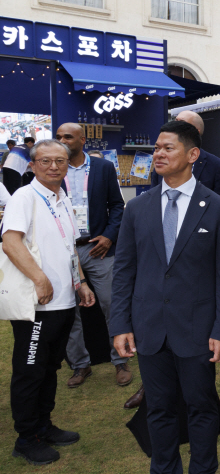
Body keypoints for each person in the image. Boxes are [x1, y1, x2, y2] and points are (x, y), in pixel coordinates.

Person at [111, 120, 220, 474]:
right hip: (149, 325)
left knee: (201, 406)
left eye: (167, 148)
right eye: (156, 148)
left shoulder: (217, 209)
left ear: (192, 155)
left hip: (198, 329)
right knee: (160, 408)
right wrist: (120, 323)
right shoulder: (137, 208)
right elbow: (124, 270)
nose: (158, 154)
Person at [2, 139, 95, 465]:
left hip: (64, 302)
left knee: (51, 368)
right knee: (29, 371)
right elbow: (10, 242)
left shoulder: (62, 198)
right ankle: (27, 438)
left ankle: (44, 425)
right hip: (37, 306)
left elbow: (69, 247)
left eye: (60, 160)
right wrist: (40, 279)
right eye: (45, 161)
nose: (53, 166)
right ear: (32, 166)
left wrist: (80, 282)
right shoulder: (25, 198)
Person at [55, 123, 128, 388]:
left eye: (68, 136)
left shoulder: (103, 168)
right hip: (65, 250)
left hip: (99, 249)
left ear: (83, 140)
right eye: (59, 136)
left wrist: (109, 236)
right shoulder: (53, 169)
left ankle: (120, 361)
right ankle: (80, 365)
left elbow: (117, 206)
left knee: (112, 305)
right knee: (69, 310)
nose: (62, 140)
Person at [150, 111, 220, 202]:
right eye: (157, 148)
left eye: (168, 148)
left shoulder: (215, 165)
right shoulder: (162, 165)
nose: (160, 154)